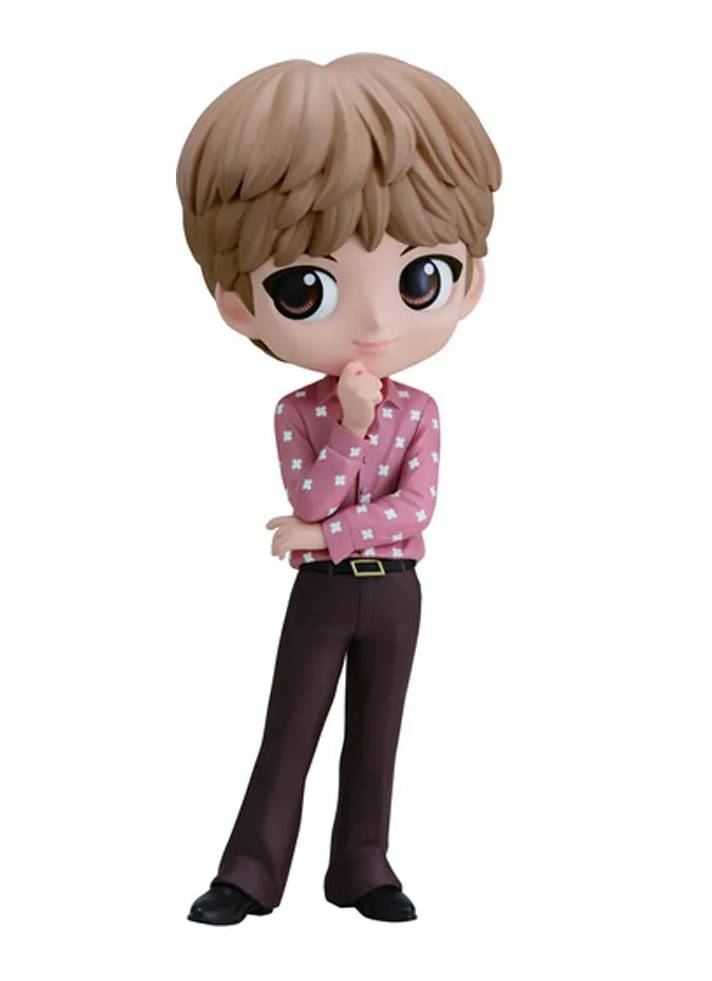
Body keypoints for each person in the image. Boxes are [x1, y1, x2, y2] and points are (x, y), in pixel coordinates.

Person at [176, 52, 501, 924]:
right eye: (305, 287)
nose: (375, 322)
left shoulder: (422, 411)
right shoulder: (298, 410)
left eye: (419, 276)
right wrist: (352, 430)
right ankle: (248, 873)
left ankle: (362, 864)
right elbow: (312, 495)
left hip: (392, 590)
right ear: (239, 304)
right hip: (321, 596)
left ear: (468, 280)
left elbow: (414, 509)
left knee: (377, 733)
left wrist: (323, 535)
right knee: (289, 729)